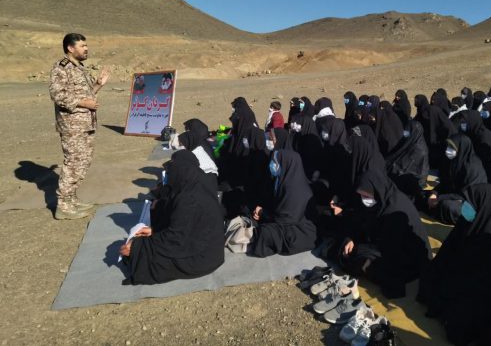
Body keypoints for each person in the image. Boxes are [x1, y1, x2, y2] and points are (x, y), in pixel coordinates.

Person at [418, 184, 491, 346]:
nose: (465, 208)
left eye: (470, 204)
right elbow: (450, 252)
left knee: (461, 324)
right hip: (474, 280)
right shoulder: (478, 220)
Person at [120, 150, 225, 285]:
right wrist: (154, 230)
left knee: (147, 260)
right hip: (210, 249)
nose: (169, 174)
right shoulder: (198, 182)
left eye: (172, 170)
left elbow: (175, 239)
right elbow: (187, 226)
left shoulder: (188, 198)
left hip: (202, 257)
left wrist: (136, 246)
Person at [339, 169, 430, 298]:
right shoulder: (381, 198)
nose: (365, 200)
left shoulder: (395, 209)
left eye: (367, 196)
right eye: (362, 195)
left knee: (358, 255)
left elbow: (391, 250)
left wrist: (363, 252)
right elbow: (359, 219)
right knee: (349, 247)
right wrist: (351, 238)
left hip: (408, 258)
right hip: (388, 246)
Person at [49, 33, 109, 220]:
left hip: (85, 124)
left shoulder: (80, 68)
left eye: (86, 45)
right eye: (82, 46)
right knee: (73, 163)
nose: (86, 49)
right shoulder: (61, 67)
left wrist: (98, 85)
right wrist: (83, 103)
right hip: (72, 125)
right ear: (70, 48)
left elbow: (87, 94)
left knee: (83, 162)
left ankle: (71, 199)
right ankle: (63, 206)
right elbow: (57, 94)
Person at [251, 149, 317, 257]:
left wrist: (263, 213)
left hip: (299, 232)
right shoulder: (284, 180)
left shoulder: (293, 189)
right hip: (288, 224)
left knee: (265, 232)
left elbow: (284, 220)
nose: (272, 165)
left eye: (276, 162)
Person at [428, 133, 488, 224]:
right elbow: (445, 182)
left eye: (452, 147)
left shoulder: (472, 167)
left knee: (448, 206)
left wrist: (440, 198)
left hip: (470, 204)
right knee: (425, 195)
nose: (448, 150)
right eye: (448, 146)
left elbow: (466, 194)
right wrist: (435, 193)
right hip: (454, 196)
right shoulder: (453, 161)